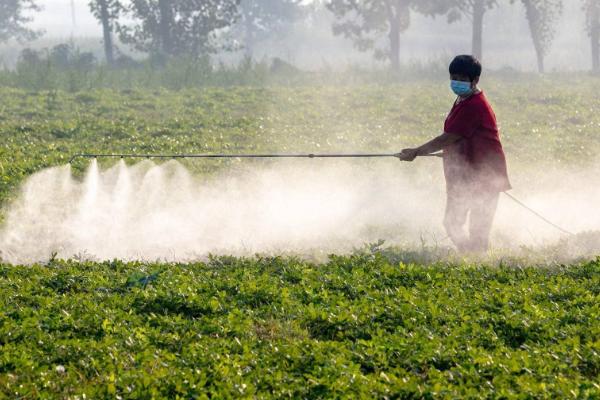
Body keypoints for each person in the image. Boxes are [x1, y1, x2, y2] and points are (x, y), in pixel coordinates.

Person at [399, 55, 510, 253]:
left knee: (478, 229)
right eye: (453, 77)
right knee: (452, 222)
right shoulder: (463, 99)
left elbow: (448, 137)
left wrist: (416, 152)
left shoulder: (475, 105)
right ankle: (470, 256)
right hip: (466, 173)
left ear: (475, 80)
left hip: (485, 175)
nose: (456, 82)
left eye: (461, 78)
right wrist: (452, 153)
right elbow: (462, 137)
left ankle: (476, 261)